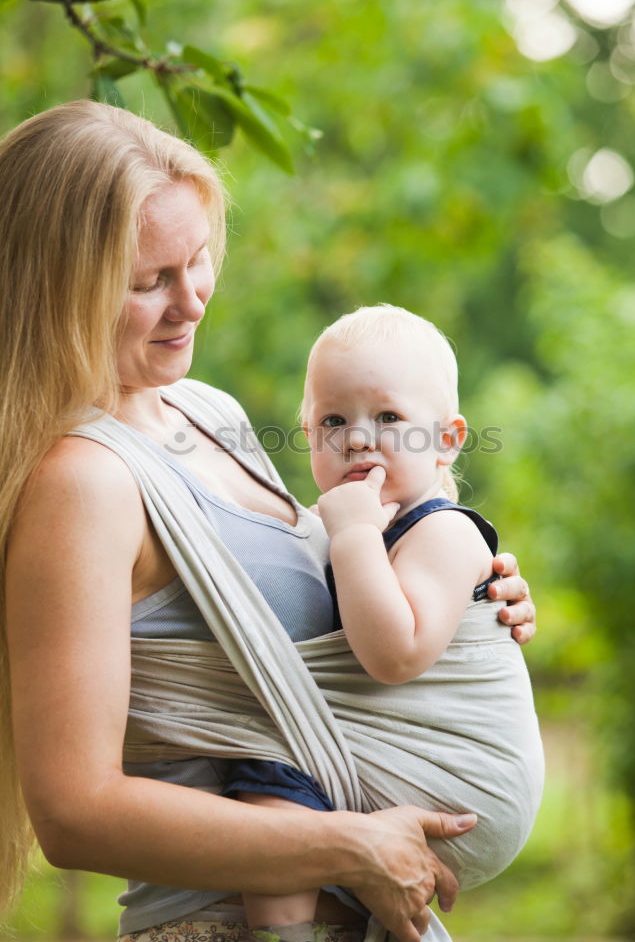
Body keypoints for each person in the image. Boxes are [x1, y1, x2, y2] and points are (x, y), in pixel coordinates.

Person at [0, 101, 538, 942]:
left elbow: (314, 615)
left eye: (199, 261)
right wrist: (346, 844)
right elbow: (73, 811)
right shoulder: (84, 483)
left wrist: (460, 592)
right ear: (58, 285)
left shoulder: (202, 409)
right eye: (150, 283)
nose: (193, 302)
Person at [223, 306, 544, 940]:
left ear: (447, 440)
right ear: (308, 434)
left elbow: (393, 655)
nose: (359, 439)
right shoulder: (348, 530)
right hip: (400, 777)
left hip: (465, 787)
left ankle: (285, 932)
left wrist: (353, 537)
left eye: (389, 418)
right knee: (266, 782)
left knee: (269, 770)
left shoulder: (444, 532)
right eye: (333, 421)